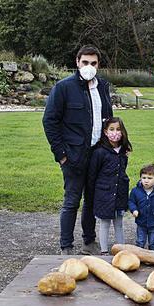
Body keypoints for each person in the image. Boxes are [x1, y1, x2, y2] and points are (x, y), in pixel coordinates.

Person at [42, 45, 113, 255]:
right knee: (72, 200)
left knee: (92, 199)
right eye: (85, 62)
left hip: (97, 154)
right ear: (77, 62)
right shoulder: (64, 87)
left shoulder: (103, 87)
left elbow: (109, 120)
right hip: (73, 155)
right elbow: (49, 121)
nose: (89, 66)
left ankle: (89, 242)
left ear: (98, 65)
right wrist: (61, 155)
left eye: (93, 63)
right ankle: (66, 245)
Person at [88, 117, 131, 254]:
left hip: (119, 194)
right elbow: (92, 175)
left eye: (118, 129)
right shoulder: (99, 152)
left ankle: (121, 250)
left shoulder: (123, 152)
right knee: (105, 223)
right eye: (112, 129)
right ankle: (104, 251)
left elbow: (122, 171)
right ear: (105, 132)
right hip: (104, 195)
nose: (115, 132)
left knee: (119, 223)